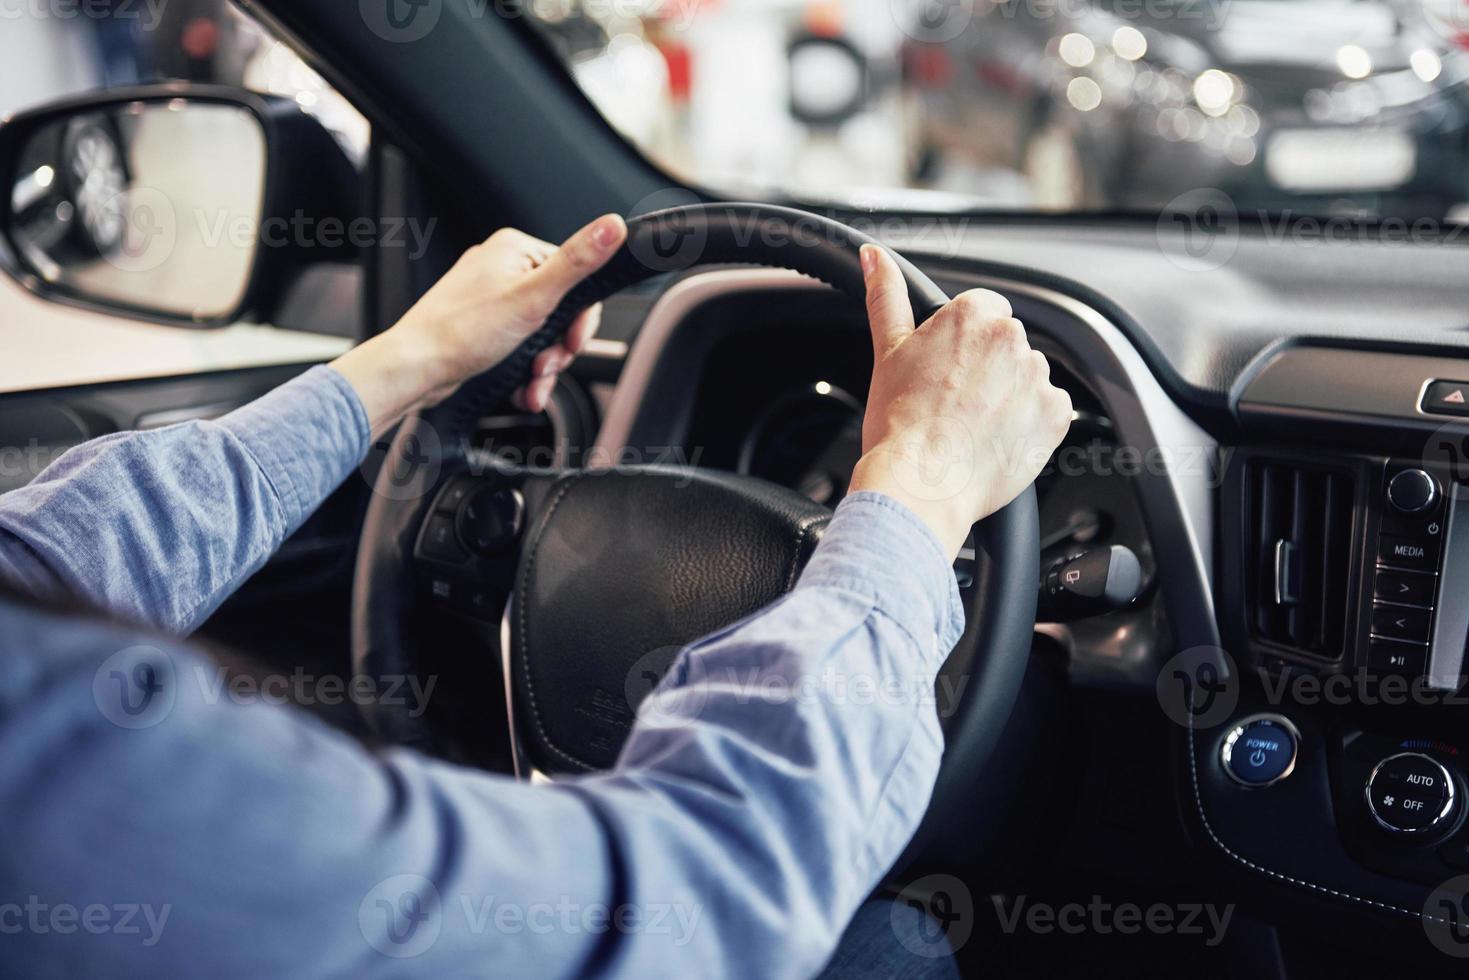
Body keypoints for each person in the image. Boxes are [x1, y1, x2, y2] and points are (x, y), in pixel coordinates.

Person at [0, 213, 1071, 978]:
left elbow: (42, 562)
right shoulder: (60, 792)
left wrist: (407, 363)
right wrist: (913, 493)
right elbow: (698, 899)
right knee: (891, 947)